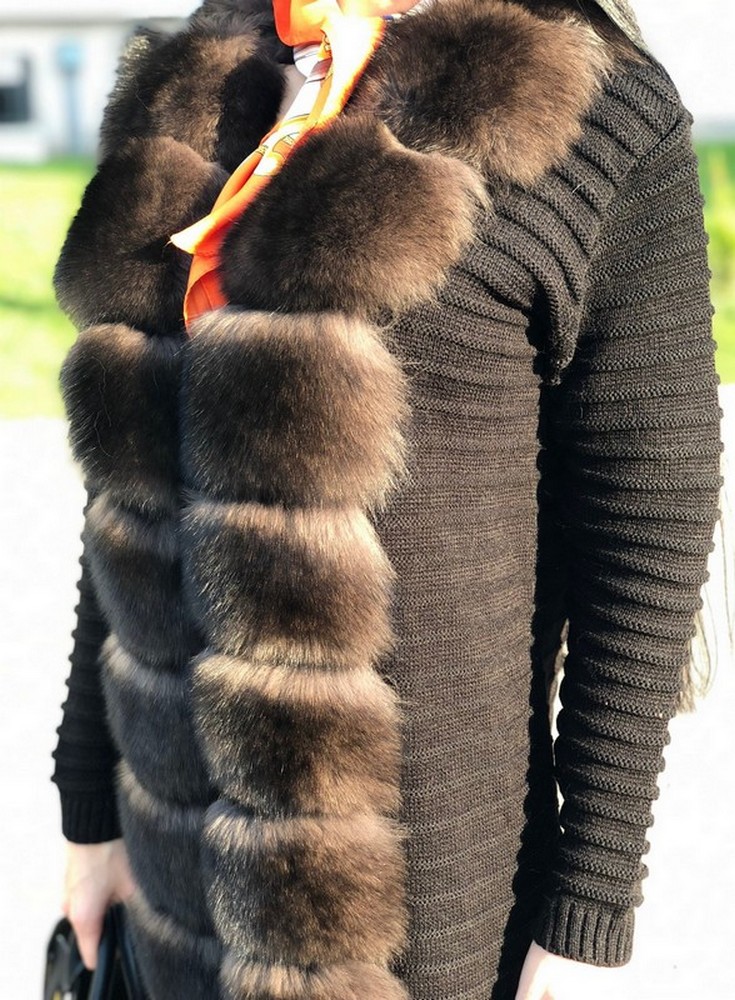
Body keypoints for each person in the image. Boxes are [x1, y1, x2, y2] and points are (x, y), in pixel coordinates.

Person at [51, 1, 723, 998]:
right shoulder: (200, 68)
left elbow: (648, 522)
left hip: (424, 904)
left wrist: (590, 901)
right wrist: (90, 810)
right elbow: (128, 483)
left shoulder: (590, 104)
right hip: (176, 888)